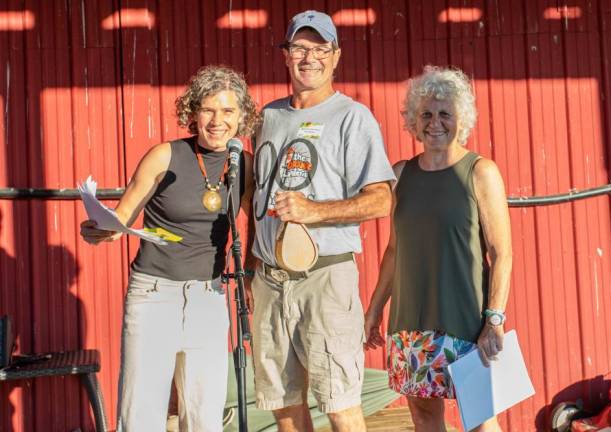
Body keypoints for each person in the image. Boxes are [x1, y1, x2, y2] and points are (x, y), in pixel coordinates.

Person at [79, 65, 258, 431]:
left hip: (209, 295)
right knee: (142, 413)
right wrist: (102, 229)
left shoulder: (243, 164)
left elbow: (254, 223)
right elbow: (123, 216)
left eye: (227, 111)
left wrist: (251, 273)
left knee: (204, 414)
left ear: (242, 116)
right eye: (208, 109)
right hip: (154, 294)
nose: (217, 120)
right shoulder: (164, 155)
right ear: (192, 112)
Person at [246, 10, 395, 432]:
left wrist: (316, 211)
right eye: (299, 48)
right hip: (270, 281)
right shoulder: (266, 118)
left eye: (319, 49)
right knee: (283, 402)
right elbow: (254, 197)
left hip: (325, 278)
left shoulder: (353, 117)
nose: (308, 58)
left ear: (336, 57)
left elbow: (382, 200)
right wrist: (253, 265)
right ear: (285, 56)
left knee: (339, 400)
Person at [364, 66, 513, 432]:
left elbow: (502, 252)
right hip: (411, 321)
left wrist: (494, 319)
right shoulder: (400, 175)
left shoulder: (480, 172)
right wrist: (374, 310)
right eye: (426, 114)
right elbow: (394, 251)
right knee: (424, 417)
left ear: (461, 119)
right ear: (414, 120)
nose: (435, 123)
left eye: (445, 113)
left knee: (480, 416)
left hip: (467, 321)